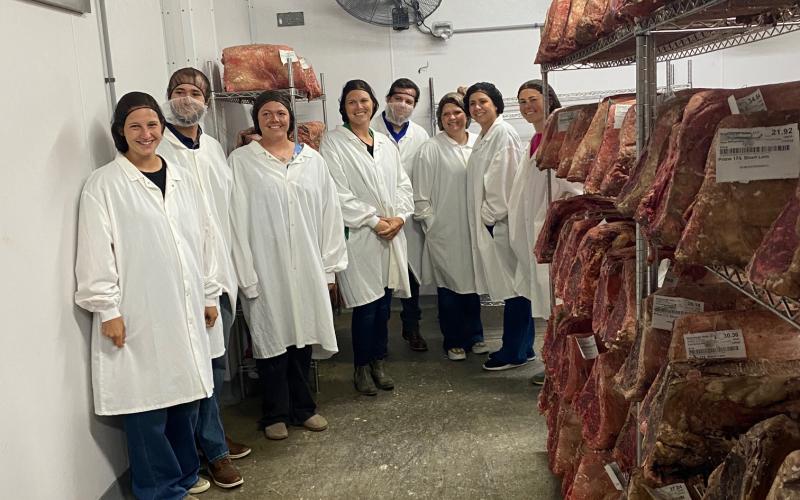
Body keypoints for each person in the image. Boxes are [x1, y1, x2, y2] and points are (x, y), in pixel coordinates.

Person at [75, 91, 220, 500]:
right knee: (147, 405)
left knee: (186, 394)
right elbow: (95, 252)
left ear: (162, 127)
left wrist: (209, 293)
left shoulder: (182, 178)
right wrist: (108, 309)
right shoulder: (104, 185)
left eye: (152, 124)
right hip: (137, 310)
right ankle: (159, 488)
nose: (145, 133)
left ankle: (186, 472)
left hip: (185, 305)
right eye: (135, 126)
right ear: (120, 132)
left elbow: (205, 240)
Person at [228, 90, 347, 439]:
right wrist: (246, 273)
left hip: (308, 264)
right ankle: (274, 414)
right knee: (271, 341)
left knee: (301, 339)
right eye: (266, 114)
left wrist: (328, 269)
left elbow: (329, 214)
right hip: (266, 267)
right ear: (257, 120)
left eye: (281, 113)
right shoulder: (242, 161)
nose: (274, 120)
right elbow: (235, 220)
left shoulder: (312, 160)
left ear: (290, 118)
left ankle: (304, 408)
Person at [157, 67, 249, 489]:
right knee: (196, 364)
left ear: (207, 102)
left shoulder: (212, 148)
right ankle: (213, 450)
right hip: (184, 275)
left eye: (196, 92)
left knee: (215, 361)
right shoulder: (158, 147)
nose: (187, 98)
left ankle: (208, 435)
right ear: (167, 97)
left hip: (220, 269)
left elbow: (226, 209)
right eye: (179, 91)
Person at [320, 79, 414, 396]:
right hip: (361, 235)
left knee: (385, 304)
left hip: (392, 232)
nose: (359, 107)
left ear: (374, 103)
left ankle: (378, 362)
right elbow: (337, 192)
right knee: (365, 307)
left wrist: (400, 217)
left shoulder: (386, 143)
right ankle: (361, 367)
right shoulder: (333, 142)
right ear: (343, 108)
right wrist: (374, 221)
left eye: (364, 100)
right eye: (352, 102)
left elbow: (403, 184)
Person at [508, 80, 583, 384]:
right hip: (539, 229)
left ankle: (567, 368)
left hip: (556, 231)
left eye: (533, 99)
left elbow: (574, 185)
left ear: (549, 99)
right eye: (522, 102)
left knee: (563, 302)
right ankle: (558, 364)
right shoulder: (538, 137)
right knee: (550, 302)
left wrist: (560, 220)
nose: (528, 107)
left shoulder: (562, 135)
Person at [412, 92, 487, 361]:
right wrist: (432, 225)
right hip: (445, 231)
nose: (452, 118)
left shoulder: (479, 143)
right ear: (439, 119)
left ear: (466, 114)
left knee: (473, 283)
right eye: (445, 114)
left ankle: (476, 335)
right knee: (449, 287)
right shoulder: (431, 149)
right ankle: (453, 340)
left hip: (476, 228)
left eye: (457, 112)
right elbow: (420, 195)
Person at [463, 82, 532, 372]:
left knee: (514, 289)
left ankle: (513, 351)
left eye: (483, 102)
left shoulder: (502, 133)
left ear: (496, 105)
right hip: (495, 223)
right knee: (516, 286)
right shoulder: (486, 135)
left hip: (500, 224)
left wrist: (490, 220)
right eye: (473, 104)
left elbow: (501, 183)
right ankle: (523, 347)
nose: (477, 108)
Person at [371, 78, 430, 352]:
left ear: (414, 106)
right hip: (378, 217)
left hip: (409, 216)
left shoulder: (420, 135)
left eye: (409, 101)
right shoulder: (370, 129)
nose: (402, 104)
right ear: (387, 98)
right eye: (398, 98)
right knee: (380, 279)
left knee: (411, 276)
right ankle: (379, 337)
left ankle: (412, 328)